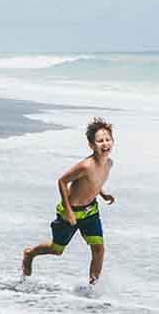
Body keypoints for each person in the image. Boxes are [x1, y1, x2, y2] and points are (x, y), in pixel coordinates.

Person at [21, 118, 116, 284]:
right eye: (100, 140)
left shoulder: (109, 163)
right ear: (91, 145)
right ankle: (30, 254)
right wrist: (69, 212)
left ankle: (92, 287)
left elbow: (94, 182)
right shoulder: (86, 166)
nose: (105, 143)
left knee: (99, 249)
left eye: (108, 139)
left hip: (90, 211)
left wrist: (103, 194)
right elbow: (62, 181)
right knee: (56, 249)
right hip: (70, 212)